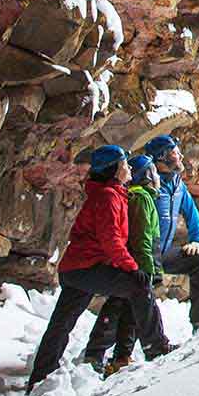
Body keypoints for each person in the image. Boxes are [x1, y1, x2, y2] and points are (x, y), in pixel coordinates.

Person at [26, 145, 173, 391]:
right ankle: (155, 345)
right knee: (138, 286)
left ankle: (41, 375)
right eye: (124, 165)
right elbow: (111, 239)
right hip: (87, 267)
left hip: (75, 269)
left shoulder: (109, 194)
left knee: (62, 322)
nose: (128, 169)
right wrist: (131, 266)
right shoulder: (108, 196)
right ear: (114, 170)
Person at [82, 153, 167, 376]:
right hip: (133, 262)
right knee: (122, 304)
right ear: (147, 174)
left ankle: (120, 355)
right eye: (154, 172)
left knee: (129, 308)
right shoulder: (140, 198)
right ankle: (99, 352)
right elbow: (142, 238)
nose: (158, 177)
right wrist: (147, 268)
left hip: (133, 262)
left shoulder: (142, 196)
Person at [144, 134, 199, 334]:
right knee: (132, 298)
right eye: (174, 152)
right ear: (161, 158)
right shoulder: (149, 184)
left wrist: (196, 239)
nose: (180, 156)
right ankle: (97, 352)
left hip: (163, 252)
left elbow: (191, 211)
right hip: (143, 253)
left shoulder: (177, 183)